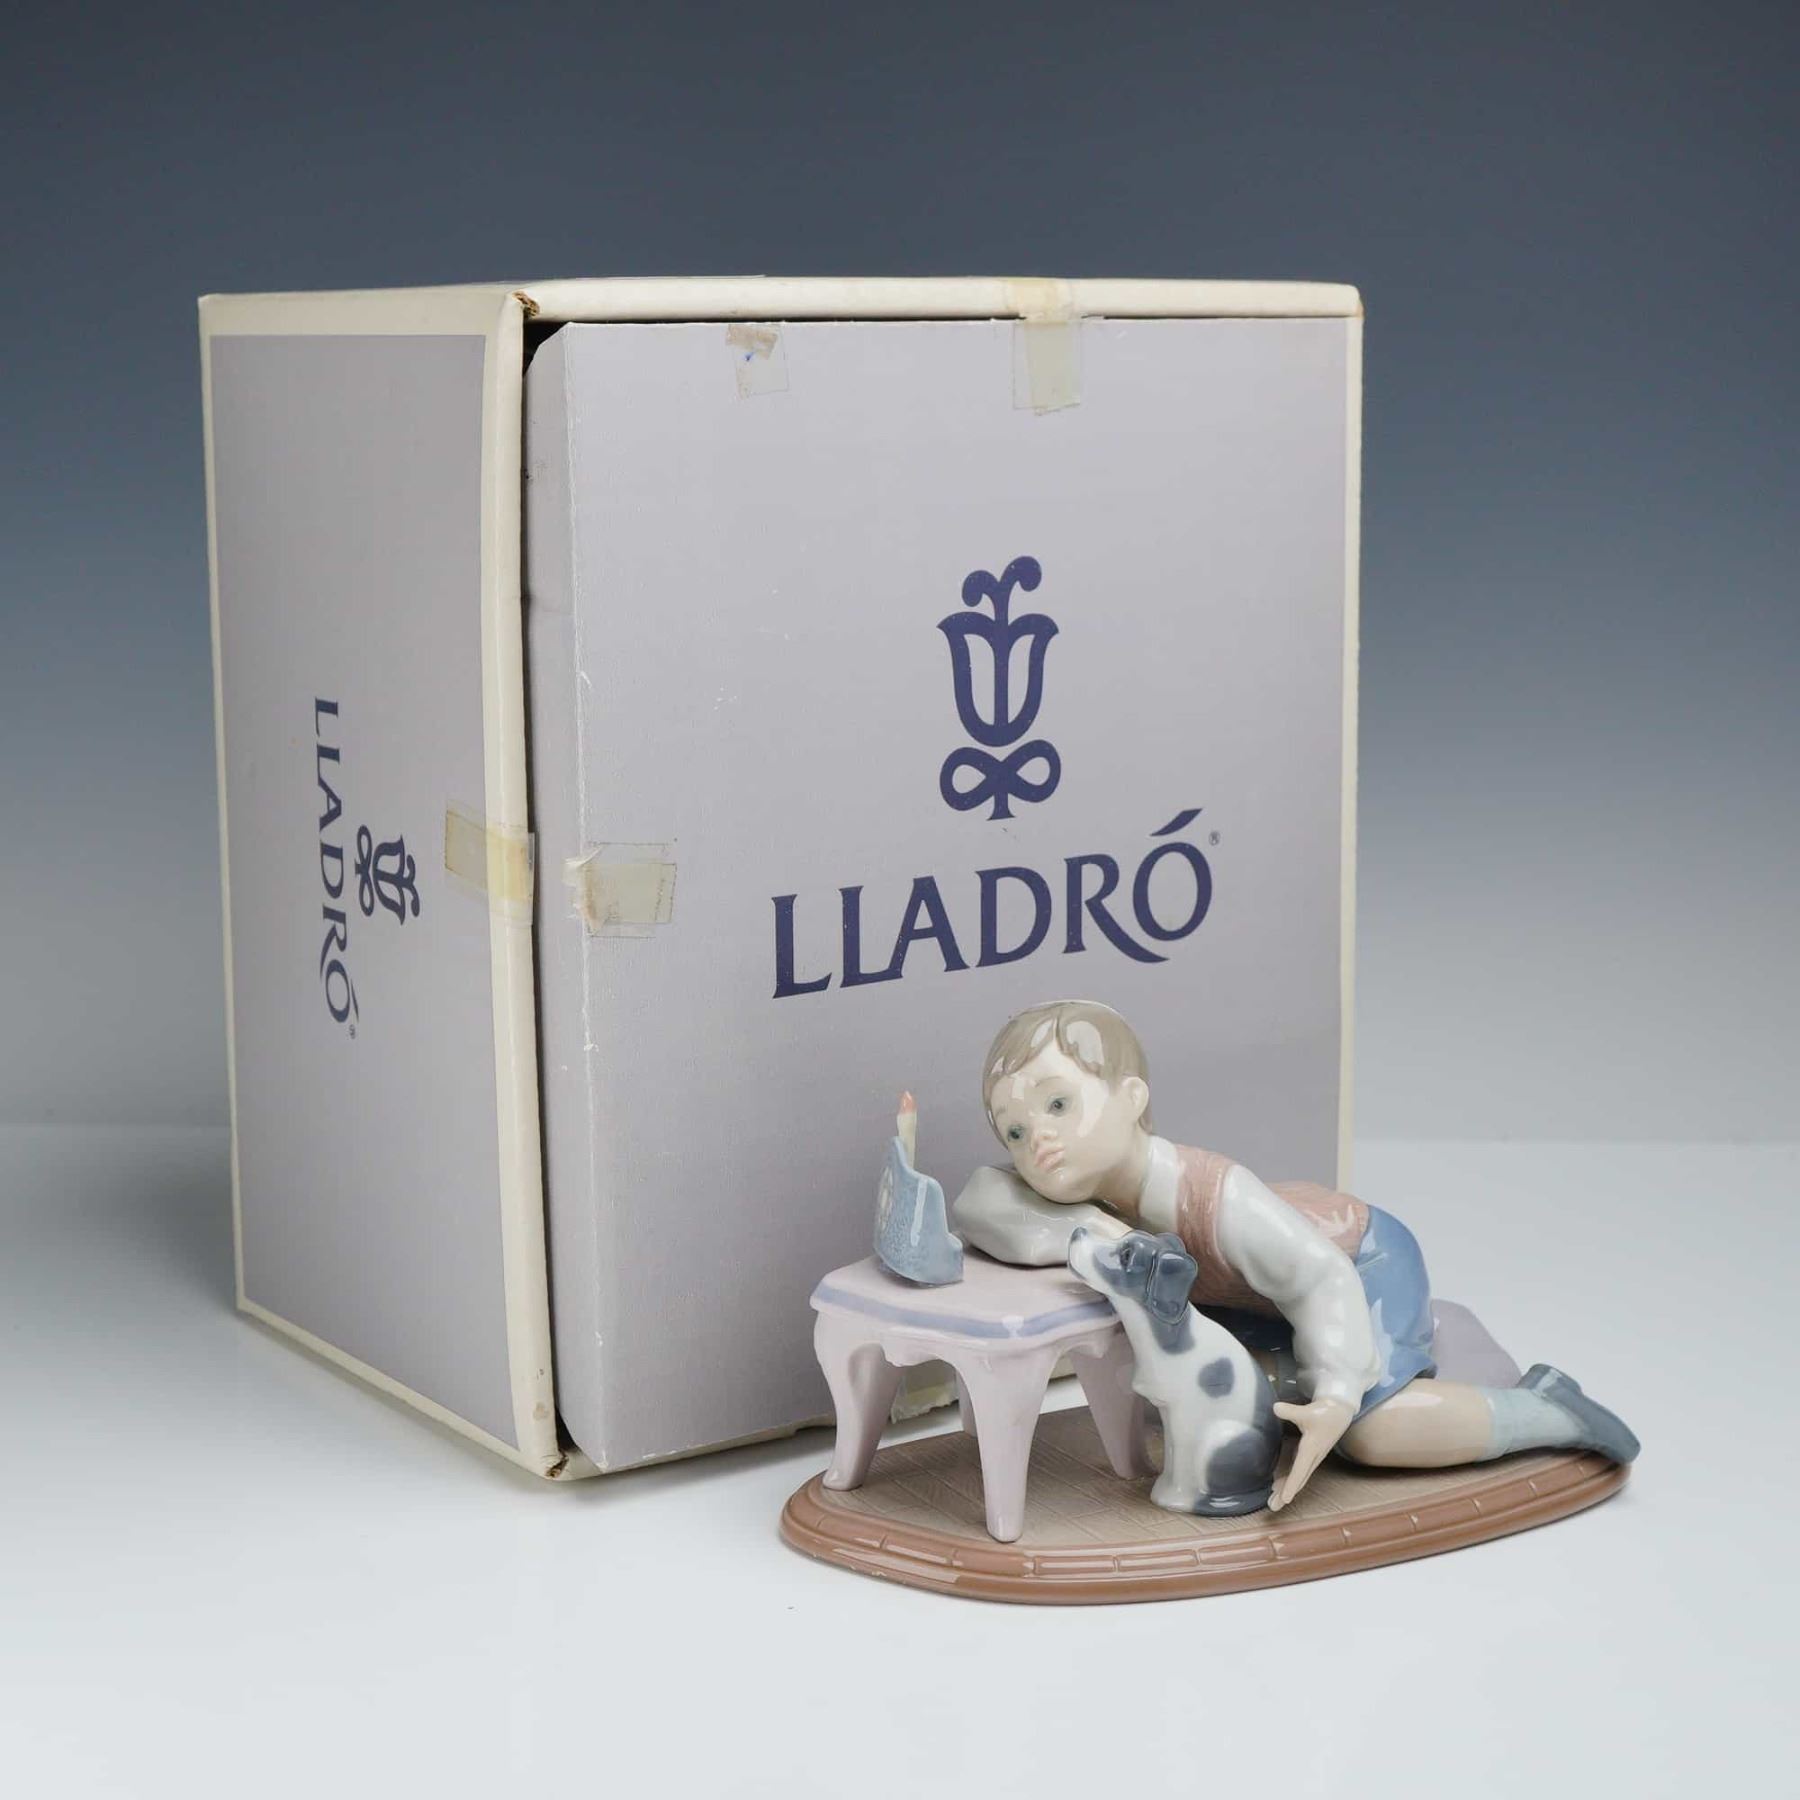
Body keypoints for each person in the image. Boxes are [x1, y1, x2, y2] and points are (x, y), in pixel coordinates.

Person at [953, 999, 1640, 1510]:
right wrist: (1079, 1227)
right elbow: (978, 1200)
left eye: (1058, 1105)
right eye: (1014, 1131)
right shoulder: (1096, 1202)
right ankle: (1432, 1339)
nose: (1037, 1141)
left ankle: (1552, 1410)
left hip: (1356, 1265)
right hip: (1263, 1303)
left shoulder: (1214, 1194)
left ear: (1131, 1098)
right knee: (1191, 1390)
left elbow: (1319, 1279)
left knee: (1370, 1436)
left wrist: (1338, 1397)